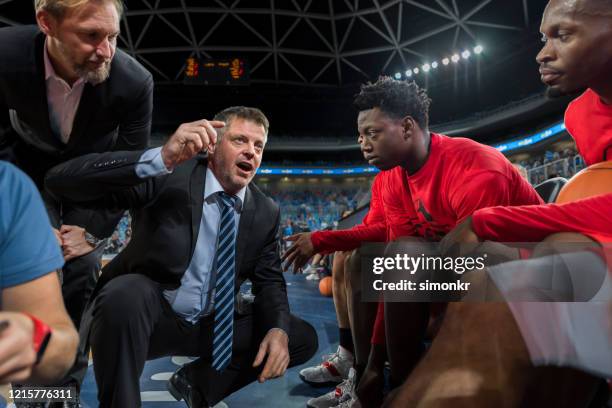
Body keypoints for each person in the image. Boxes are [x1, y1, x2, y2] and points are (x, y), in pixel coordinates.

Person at [386, 0, 612, 406]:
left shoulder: (477, 166)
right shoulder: (580, 115)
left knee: (522, 271)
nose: (542, 52)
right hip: (556, 241)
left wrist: (490, 222)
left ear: (409, 128)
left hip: (551, 244)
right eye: (545, 37)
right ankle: (379, 370)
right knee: (391, 263)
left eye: (563, 34)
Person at [283, 77, 543, 408]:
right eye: (360, 136)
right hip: (467, 269)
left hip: (529, 275)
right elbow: (393, 269)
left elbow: (480, 269)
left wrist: (429, 327)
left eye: (372, 133)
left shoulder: (475, 170)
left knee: (407, 255)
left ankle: (412, 386)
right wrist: (374, 366)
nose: (363, 144)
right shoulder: (393, 179)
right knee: (370, 259)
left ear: (407, 128)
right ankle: (376, 380)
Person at [44, 106, 318, 408]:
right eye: (240, 140)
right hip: (150, 319)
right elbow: (60, 179)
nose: (251, 152)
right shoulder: (168, 174)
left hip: (213, 325)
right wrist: (159, 158)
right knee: (124, 294)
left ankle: (198, 383)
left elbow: (269, 281)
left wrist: (277, 330)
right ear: (212, 144)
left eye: (258, 145)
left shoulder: (266, 210)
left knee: (297, 336)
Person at [0, 0, 153, 330]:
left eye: (112, 36)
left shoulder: (135, 83)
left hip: (92, 177)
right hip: (26, 168)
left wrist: (96, 233)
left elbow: (129, 169)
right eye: (91, 35)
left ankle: (60, 379)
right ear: (47, 23)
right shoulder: (4, 55)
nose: (106, 51)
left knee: (81, 270)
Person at [0, 161, 78, 385]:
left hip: (73, 248)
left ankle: (63, 394)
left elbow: (56, 340)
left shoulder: (10, 187)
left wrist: (32, 333)